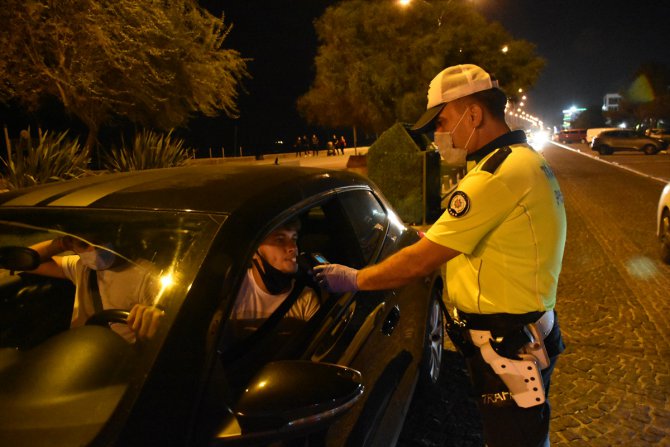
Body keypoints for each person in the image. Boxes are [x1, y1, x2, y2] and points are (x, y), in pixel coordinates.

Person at [315, 64, 566, 447]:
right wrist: (434, 233)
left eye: (443, 121)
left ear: (474, 114)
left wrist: (354, 279)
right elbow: (488, 230)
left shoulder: (495, 176)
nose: (438, 133)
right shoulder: (523, 161)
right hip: (523, 335)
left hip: (509, 348)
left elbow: (418, 263)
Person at [29, 235, 164, 343]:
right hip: (80, 350)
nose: (93, 250)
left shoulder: (147, 276)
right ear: (73, 247)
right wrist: (60, 244)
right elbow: (27, 261)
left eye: (99, 241)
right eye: (83, 244)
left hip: (118, 360)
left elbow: (156, 332)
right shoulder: (82, 267)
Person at [231, 219, 320, 323]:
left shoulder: (306, 298)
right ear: (253, 252)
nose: (293, 247)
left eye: (294, 239)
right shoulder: (233, 291)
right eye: (280, 240)